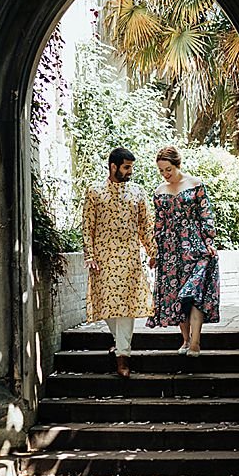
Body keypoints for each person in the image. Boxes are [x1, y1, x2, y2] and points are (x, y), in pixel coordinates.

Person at [82, 147, 156, 377]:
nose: (130, 171)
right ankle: (118, 341)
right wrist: (90, 255)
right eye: (126, 167)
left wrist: (153, 251)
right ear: (113, 167)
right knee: (106, 306)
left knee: (127, 307)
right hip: (103, 259)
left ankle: (123, 356)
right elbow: (88, 226)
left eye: (131, 167)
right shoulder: (95, 192)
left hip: (130, 258)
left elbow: (145, 225)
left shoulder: (137, 192)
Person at [148, 146, 220, 357]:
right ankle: (185, 340)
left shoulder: (195, 184)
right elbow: (158, 225)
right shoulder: (160, 191)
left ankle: (196, 342)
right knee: (179, 296)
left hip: (195, 247)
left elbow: (206, 215)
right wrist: (155, 252)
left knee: (195, 294)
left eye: (168, 169)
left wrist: (209, 241)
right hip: (171, 251)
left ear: (177, 165)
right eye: (161, 171)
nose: (165, 174)